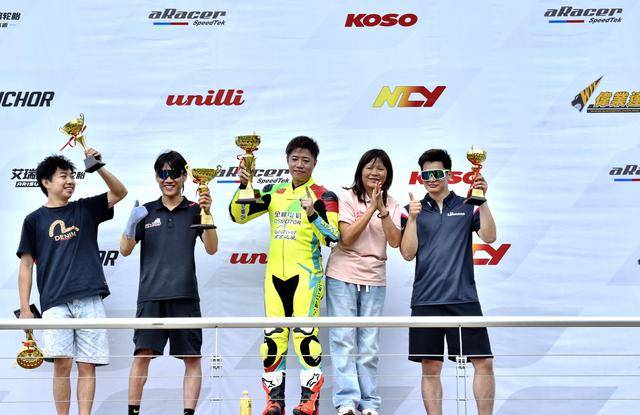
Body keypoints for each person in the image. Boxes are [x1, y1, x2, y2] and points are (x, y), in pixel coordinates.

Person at [229, 136, 339, 415]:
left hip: (307, 276)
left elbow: (333, 238)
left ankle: (309, 402)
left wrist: (312, 213)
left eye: (306, 160)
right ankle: (274, 402)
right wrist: (243, 185)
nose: (299, 164)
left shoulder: (325, 196)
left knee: (305, 335)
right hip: (274, 277)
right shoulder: (273, 192)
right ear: (287, 160)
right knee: (273, 337)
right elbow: (238, 215)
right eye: (295, 159)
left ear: (315, 163)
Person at [17, 151, 127, 415]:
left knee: (87, 365)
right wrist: (25, 308)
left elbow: (120, 192)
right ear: (46, 182)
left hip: (90, 297)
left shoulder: (85, 208)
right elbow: (26, 265)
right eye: (63, 176)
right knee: (62, 364)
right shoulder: (33, 220)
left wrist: (97, 166)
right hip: (54, 302)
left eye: (72, 176)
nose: (70, 181)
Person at [119, 151, 218, 415]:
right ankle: (133, 413)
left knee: (192, 358)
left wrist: (207, 213)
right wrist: (130, 225)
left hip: (185, 295)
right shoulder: (146, 210)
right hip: (151, 296)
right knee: (142, 356)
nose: (168, 179)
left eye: (174, 173)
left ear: (184, 176)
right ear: (156, 177)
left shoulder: (195, 209)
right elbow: (125, 250)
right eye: (163, 173)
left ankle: (188, 413)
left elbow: (212, 248)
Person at [400, 149, 497, 415]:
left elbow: (490, 237)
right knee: (431, 368)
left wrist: (482, 201)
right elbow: (407, 253)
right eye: (425, 175)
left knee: (484, 363)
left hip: (463, 298)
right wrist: (414, 219)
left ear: (449, 175)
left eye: (436, 173)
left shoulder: (468, 205)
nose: (431, 179)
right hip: (426, 301)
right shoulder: (411, 210)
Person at [325, 149, 402, 415]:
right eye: (370, 167)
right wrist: (370, 208)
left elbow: (395, 241)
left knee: (369, 344)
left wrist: (382, 210)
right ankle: (346, 402)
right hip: (342, 275)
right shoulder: (346, 197)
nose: (375, 173)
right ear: (360, 171)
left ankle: (369, 403)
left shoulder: (393, 203)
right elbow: (346, 239)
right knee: (343, 339)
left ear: (388, 174)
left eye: (381, 168)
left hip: (374, 278)